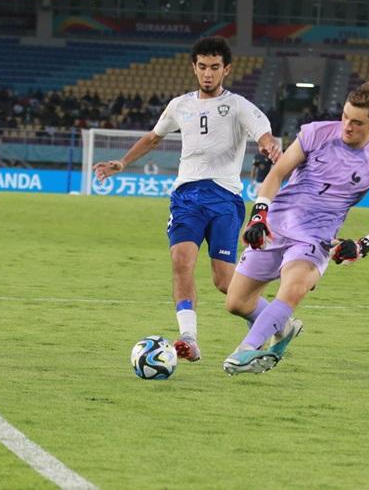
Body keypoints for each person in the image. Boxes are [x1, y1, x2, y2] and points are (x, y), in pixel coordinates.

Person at [93, 36, 281, 362]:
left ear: (227, 70)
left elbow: (261, 129)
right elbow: (154, 137)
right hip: (187, 196)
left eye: (215, 68)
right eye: (203, 67)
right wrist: (122, 163)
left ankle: (277, 320)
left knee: (225, 282)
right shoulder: (180, 105)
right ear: (194, 68)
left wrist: (268, 144)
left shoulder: (237, 105)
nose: (208, 74)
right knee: (181, 262)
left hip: (224, 198)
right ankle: (189, 338)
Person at [222, 82, 369, 375]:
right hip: (276, 225)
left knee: (293, 288)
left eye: (357, 123)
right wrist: (259, 214)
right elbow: (277, 173)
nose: (347, 126)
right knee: (237, 302)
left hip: (315, 238)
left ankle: (246, 351)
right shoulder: (316, 133)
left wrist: (363, 245)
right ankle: (284, 327)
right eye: (344, 117)